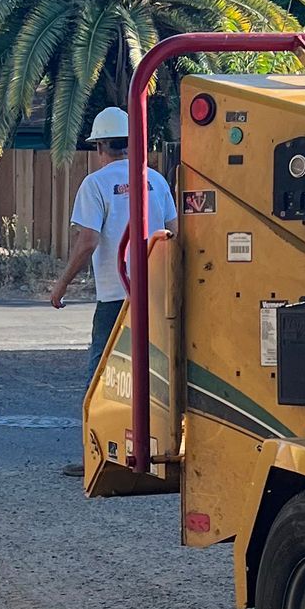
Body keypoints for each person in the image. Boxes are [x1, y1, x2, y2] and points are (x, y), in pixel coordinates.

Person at [49, 106, 178, 401]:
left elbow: (88, 241)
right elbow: (175, 232)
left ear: (100, 145)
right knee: (154, 371)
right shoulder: (156, 181)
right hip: (155, 294)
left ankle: (96, 433)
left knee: (103, 371)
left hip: (114, 297)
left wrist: (62, 284)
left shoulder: (95, 184)